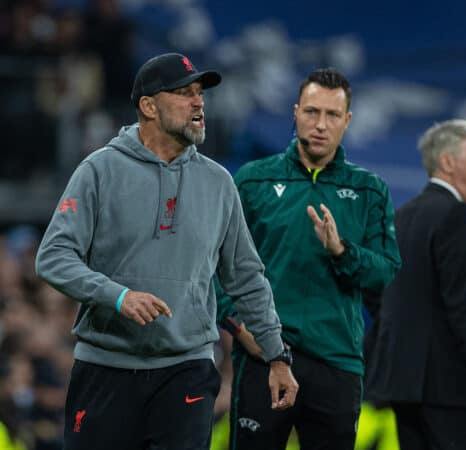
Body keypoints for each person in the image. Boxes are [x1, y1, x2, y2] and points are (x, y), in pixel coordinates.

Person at [34, 52, 298, 450]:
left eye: (200, 94)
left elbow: (246, 277)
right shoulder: (99, 170)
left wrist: (278, 356)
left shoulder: (218, 183)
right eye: (184, 93)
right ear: (148, 106)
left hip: (186, 368)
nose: (198, 103)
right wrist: (117, 296)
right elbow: (53, 257)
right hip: (107, 367)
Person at [218, 68, 401, 450]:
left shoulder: (369, 190)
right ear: (296, 112)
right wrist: (238, 327)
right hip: (264, 356)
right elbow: (214, 265)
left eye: (332, 115)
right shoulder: (253, 180)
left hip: (336, 360)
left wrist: (342, 251)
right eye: (312, 112)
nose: (321, 124)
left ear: (347, 121)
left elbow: (385, 272)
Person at [366, 119, 466, 450]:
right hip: (452, 390)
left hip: (406, 388)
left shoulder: (401, 217)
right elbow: (462, 301)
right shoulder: (455, 215)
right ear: (447, 162)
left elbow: (379, 294)